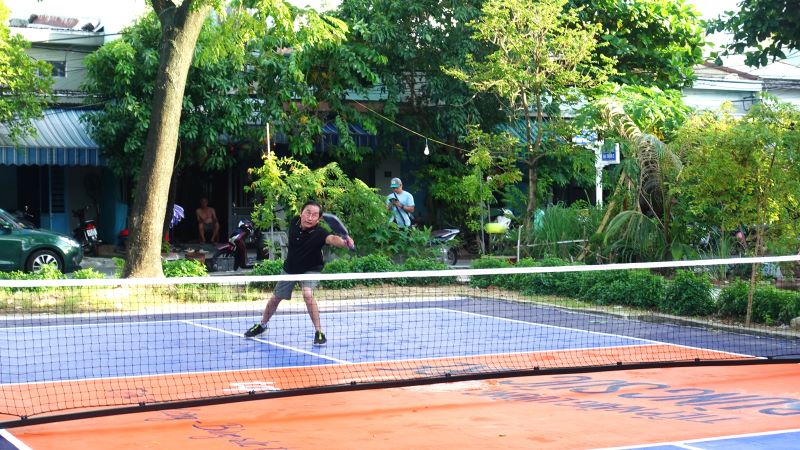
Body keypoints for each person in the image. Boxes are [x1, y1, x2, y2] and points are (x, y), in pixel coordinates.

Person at [243, 201, 355, 346]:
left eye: (314, 215)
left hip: (311, 268)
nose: (310, 217)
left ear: (319, 219)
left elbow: (332, 239)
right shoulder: (294, 222)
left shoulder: (321, 233)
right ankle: (262, 325)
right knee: (275, 298)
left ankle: (319, 332)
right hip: (291, 268)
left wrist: (345, 242)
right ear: (301, 213)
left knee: (307, 294)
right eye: (307, 212)